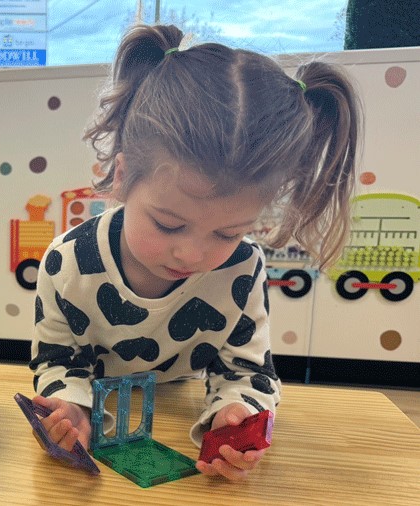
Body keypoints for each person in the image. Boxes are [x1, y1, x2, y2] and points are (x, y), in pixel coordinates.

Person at [29, 24, 361, 481]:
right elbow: (58, 358)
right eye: (168, 224)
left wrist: (236, 415)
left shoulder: (242, 270)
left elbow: (248, 371)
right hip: (104, 410)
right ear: (122, 177)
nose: (191, 253)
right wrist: (71, 407)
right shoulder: (68, 262)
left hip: (175, 409)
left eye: (227, 233)